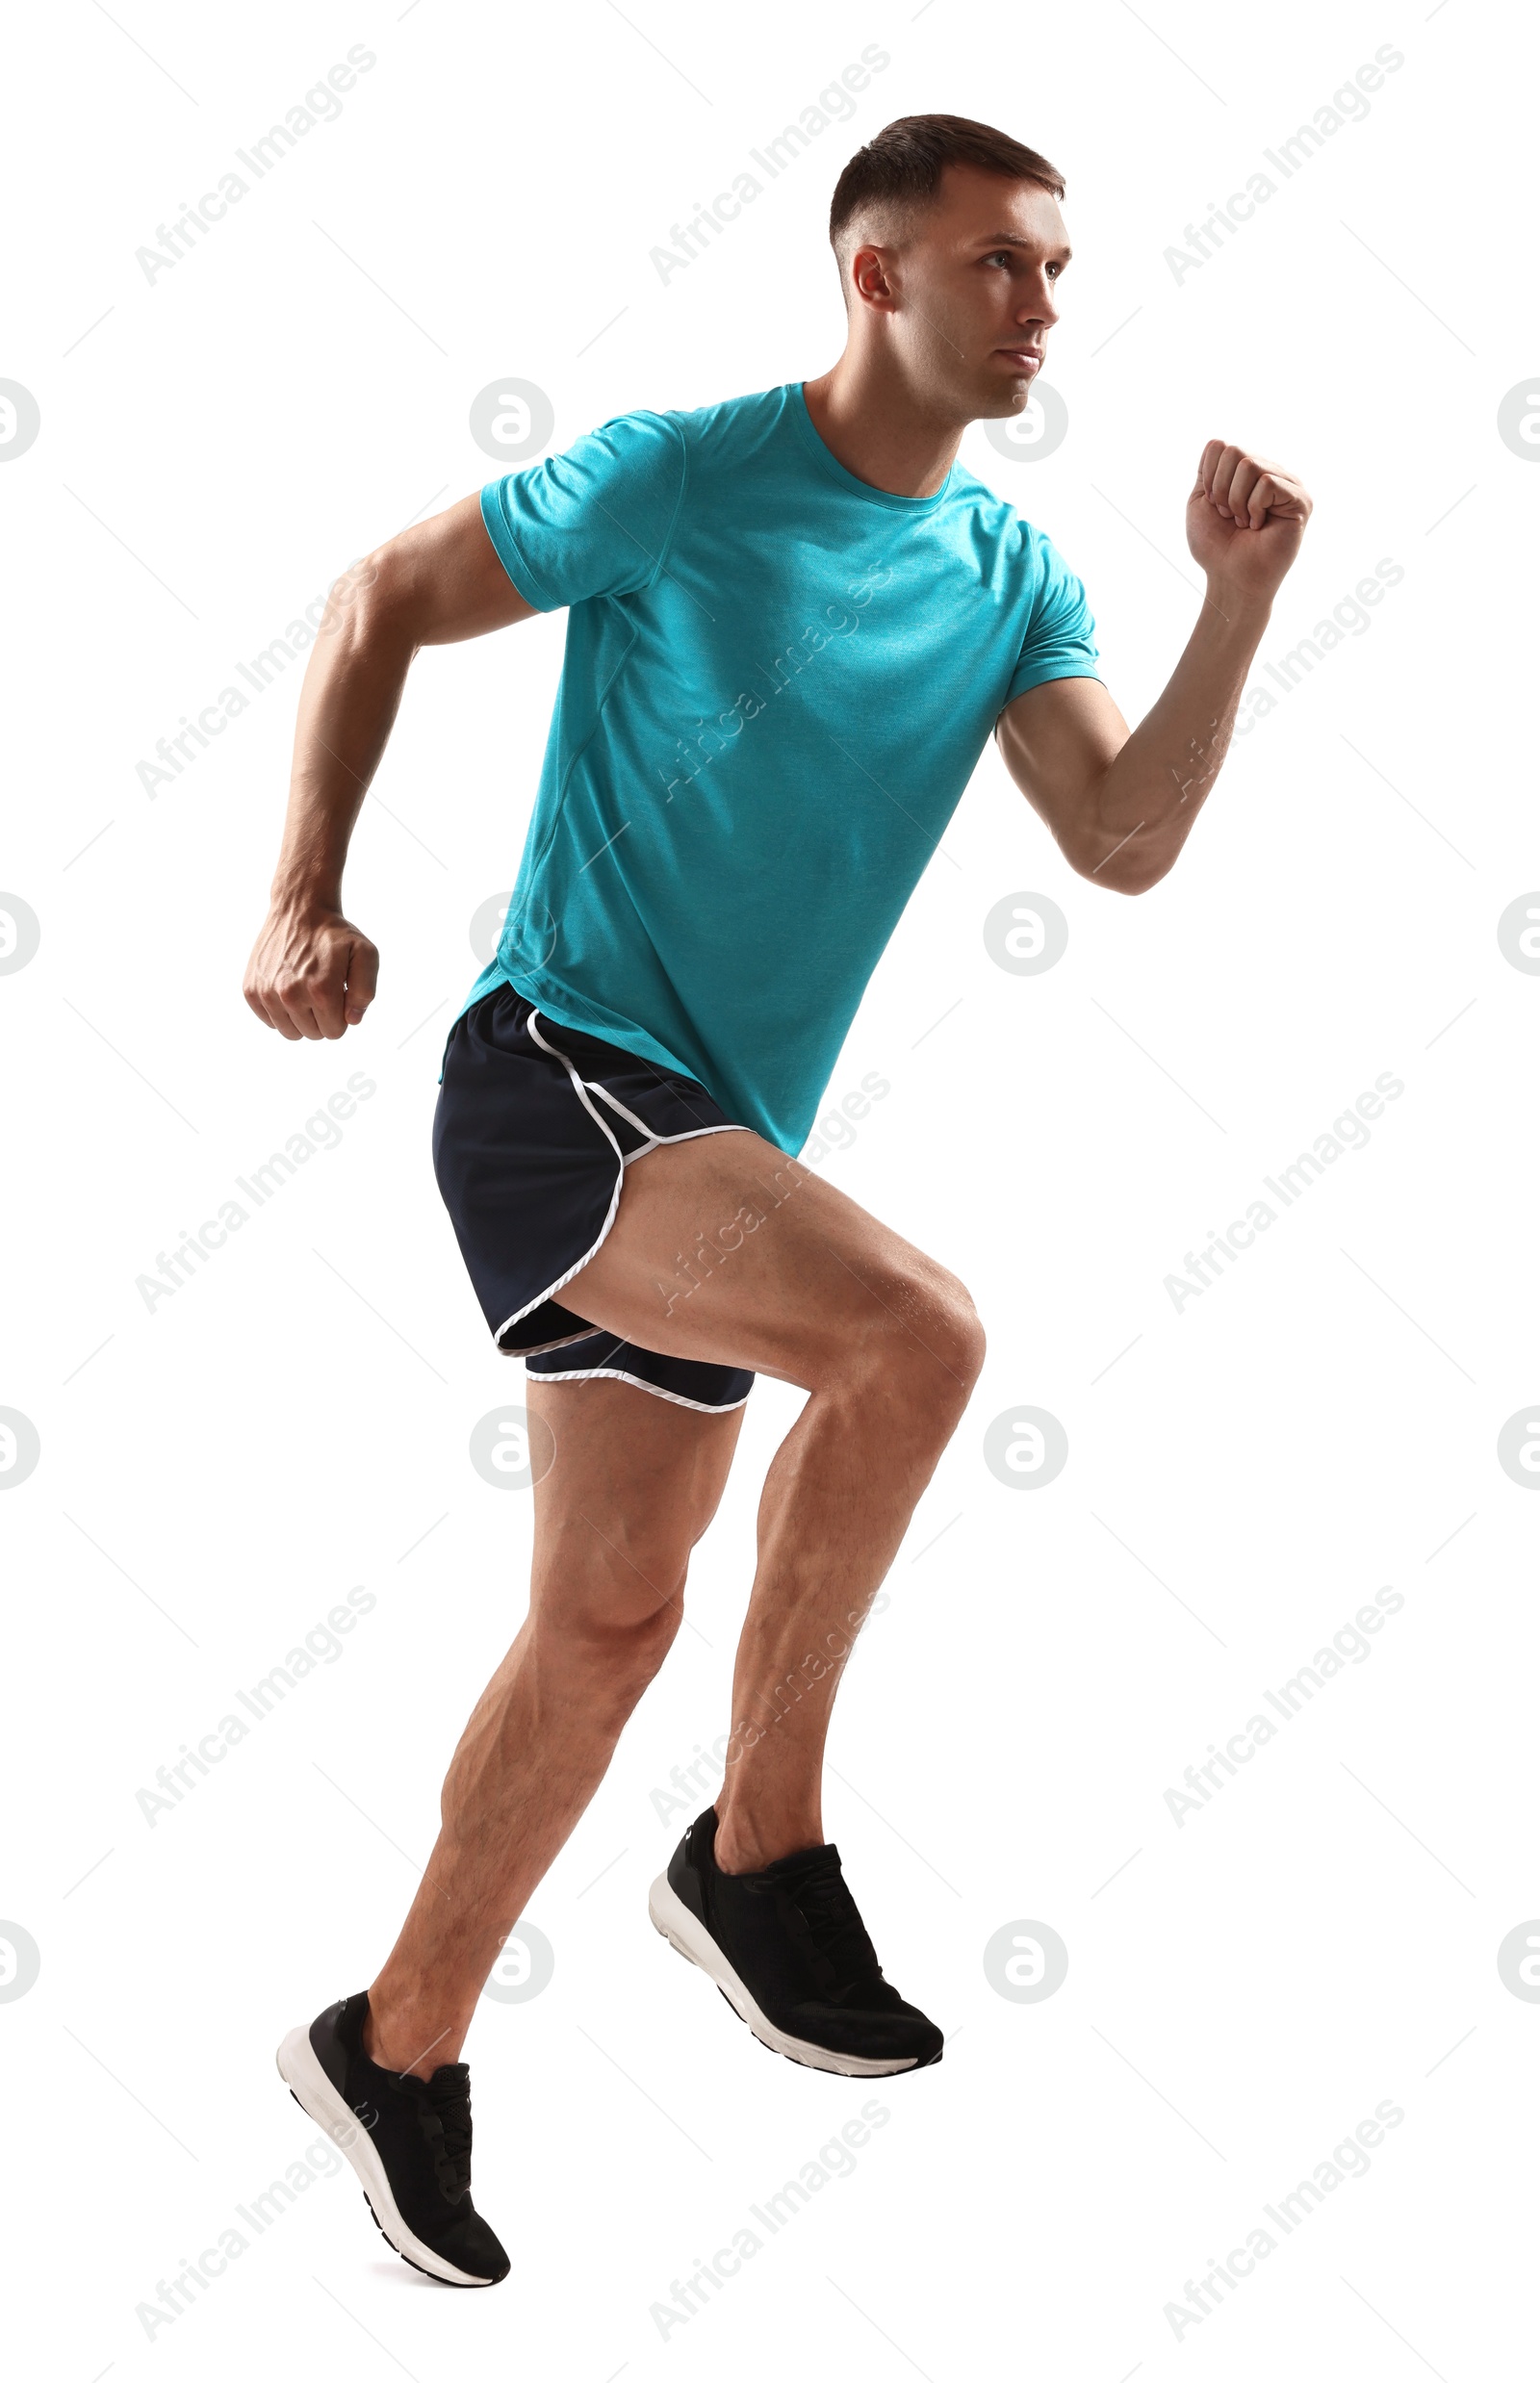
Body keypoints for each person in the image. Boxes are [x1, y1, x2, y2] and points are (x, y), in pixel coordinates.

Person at [247, 113, 1311, 2287]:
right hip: (559, 1086)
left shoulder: (1009, 572)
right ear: (873, 271)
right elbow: (379, 593)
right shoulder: (683, 474)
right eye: (999, 262)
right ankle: (761, 1850)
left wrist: (1232, 610)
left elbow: (1116, 838)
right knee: (913, 1332)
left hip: (711, 1154)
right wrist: (299, 897)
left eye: (1055, 271)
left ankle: (395, 2042)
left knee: (608, 1618)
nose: (1039, 305)